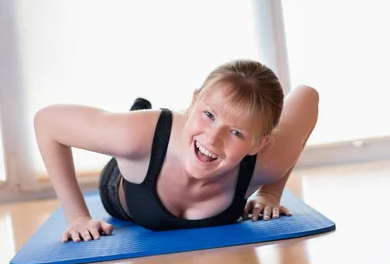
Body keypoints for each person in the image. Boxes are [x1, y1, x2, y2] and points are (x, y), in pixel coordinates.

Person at [34, 59, 319, 242]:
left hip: (172, 138)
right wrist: (77, 217)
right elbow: (47, 122)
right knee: (132, 135)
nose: (213, 138)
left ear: (258, 143)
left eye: (236, 132)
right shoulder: (132, 137)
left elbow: (307, 96)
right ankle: (139, 109)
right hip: (132, 172)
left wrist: (270, 193)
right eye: (208, 115)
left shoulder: (268, 161)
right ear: (193, 102)